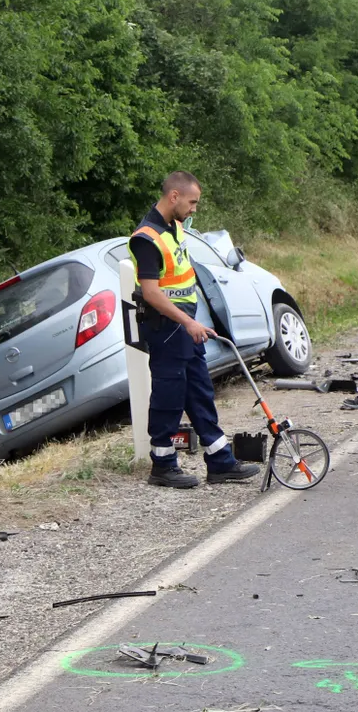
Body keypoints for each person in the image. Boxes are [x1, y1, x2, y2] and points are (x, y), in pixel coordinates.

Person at [129, 171, 260, 489]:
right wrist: (188, 322)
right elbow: (151, 292)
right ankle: (162, 466)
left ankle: (220, 462)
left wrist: (195, 319)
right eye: (192, 202)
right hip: (165, 327)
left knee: (200, 392)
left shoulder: (174, 227)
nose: (195, 209)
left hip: (185, 326)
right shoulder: (145, 238)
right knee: (169, 397)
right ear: (174, 196)